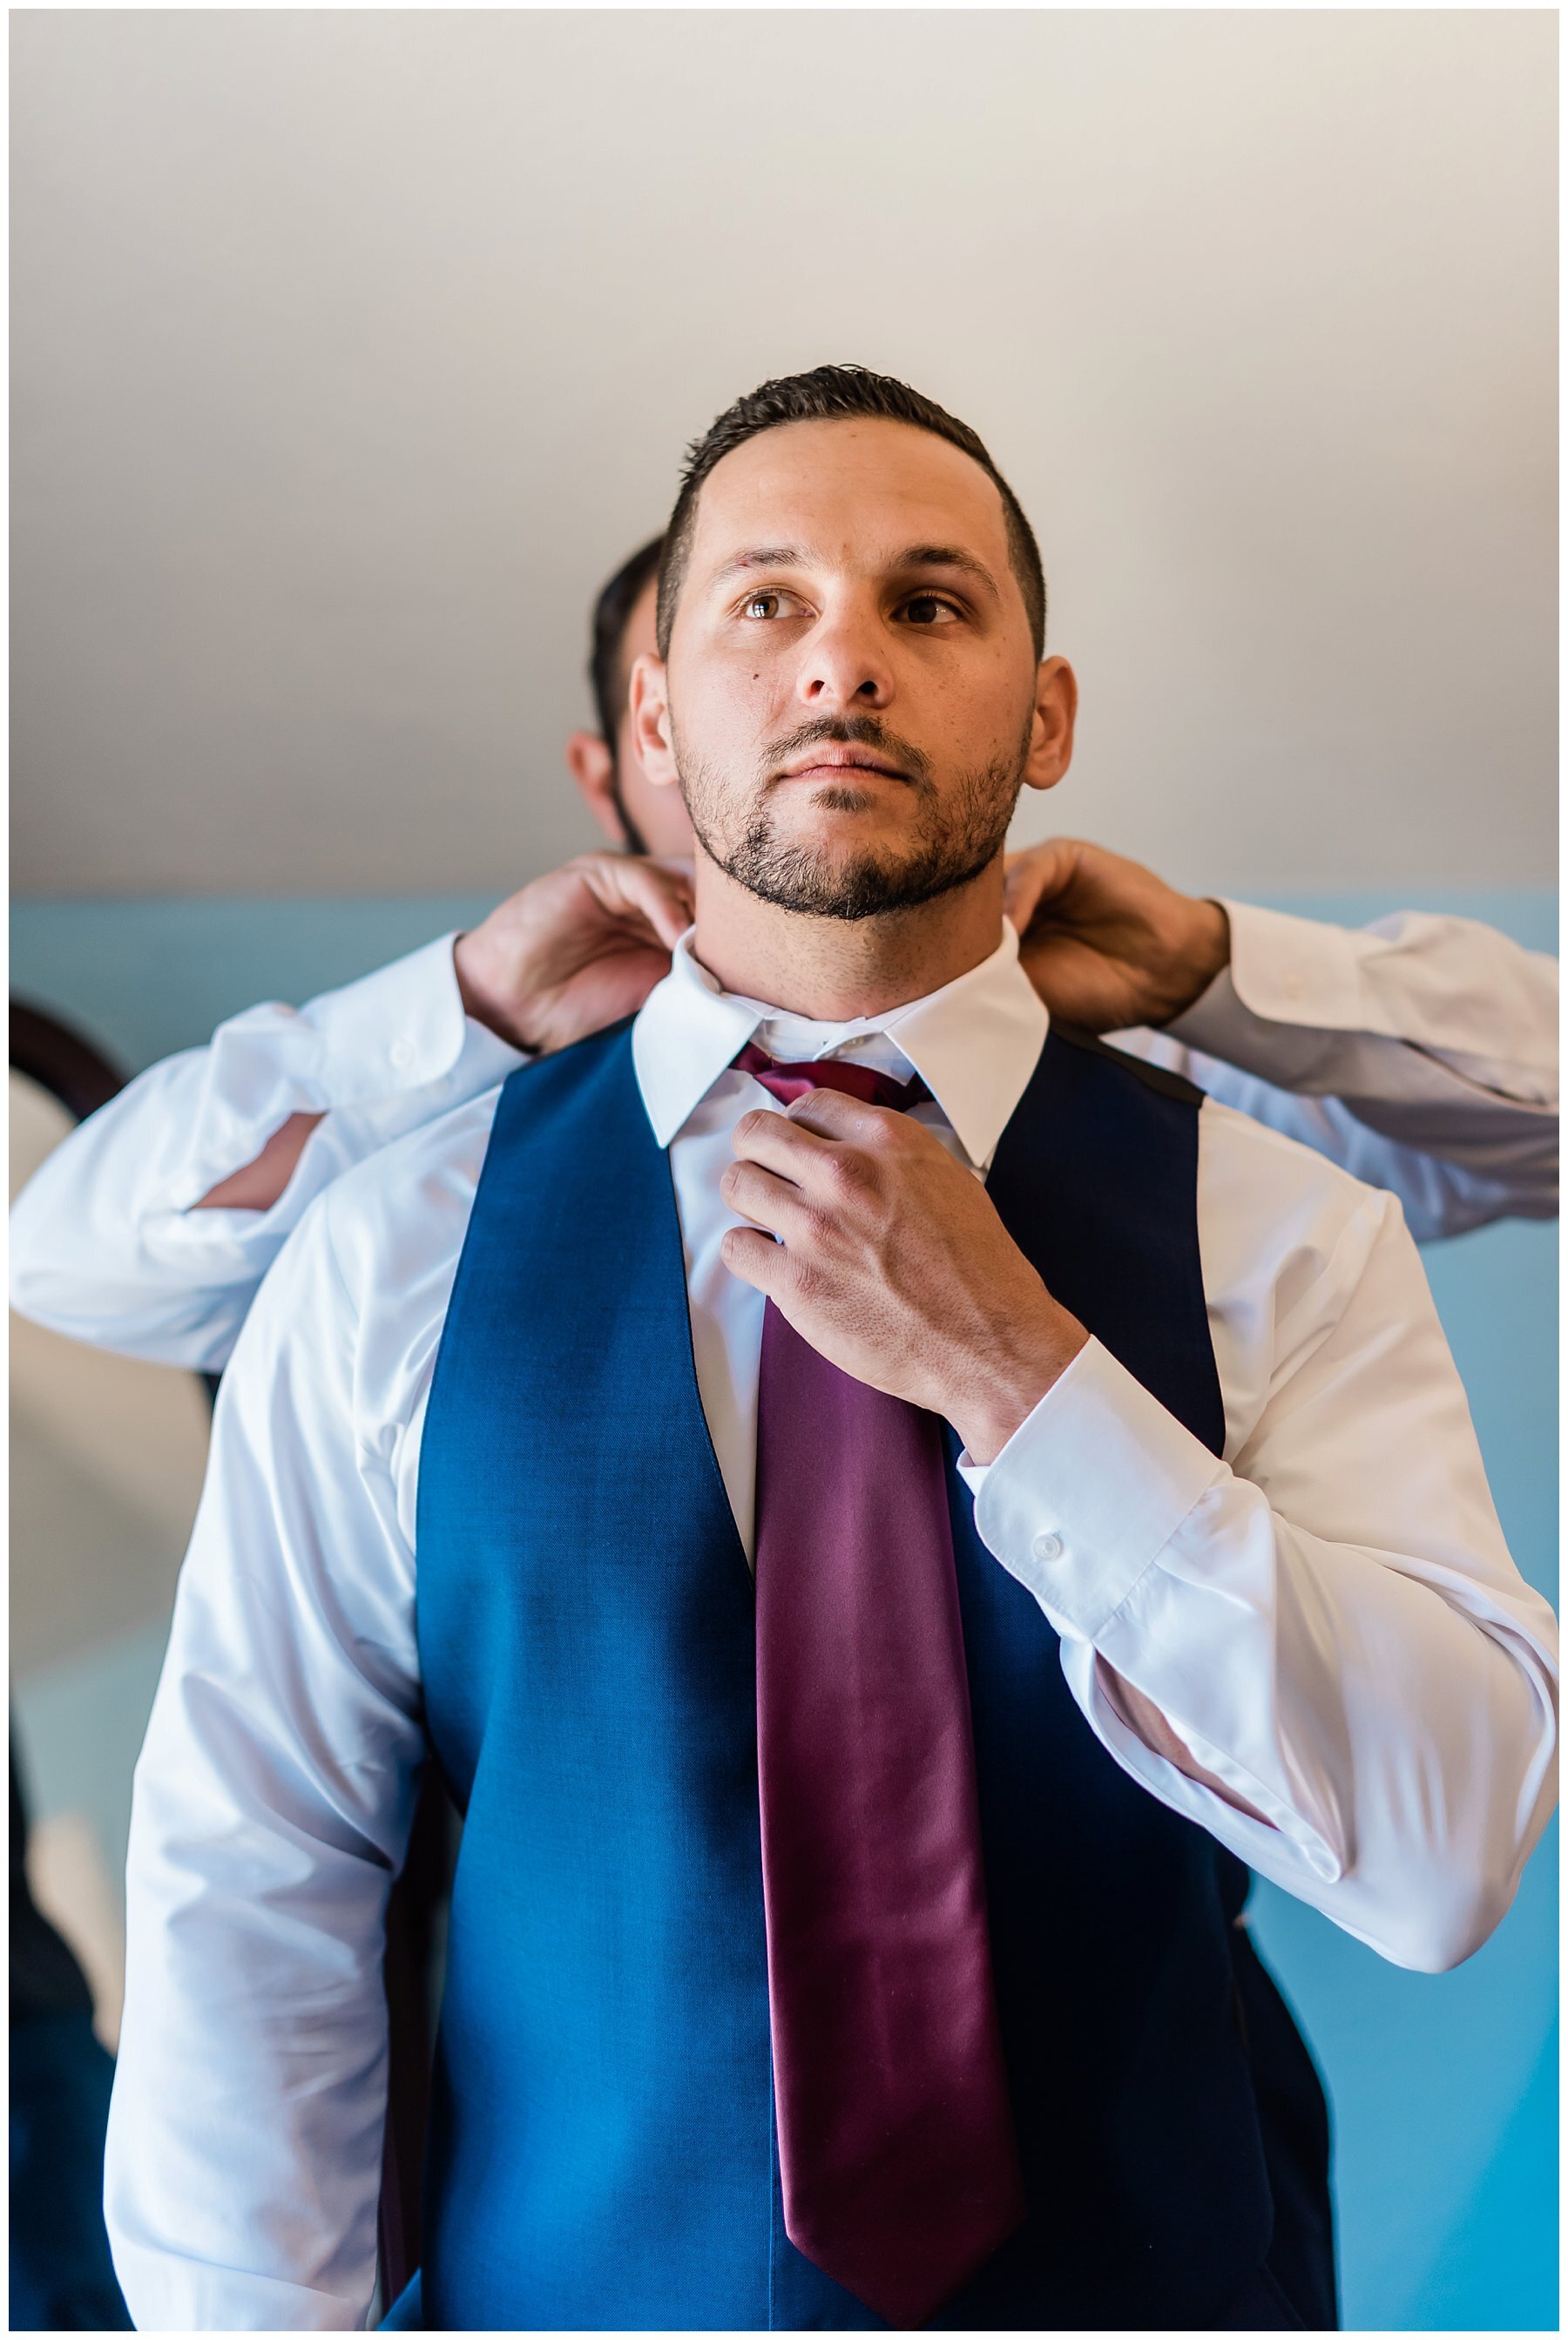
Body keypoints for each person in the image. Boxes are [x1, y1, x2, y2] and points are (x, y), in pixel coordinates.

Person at [100, 365, 1557, 2332]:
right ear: (655, 715)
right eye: (765, 603)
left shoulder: (1281, 1229)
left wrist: (1029, 1384)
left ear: (1045, 722)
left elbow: (1452, 1842)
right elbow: (257, 1882)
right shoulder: (388, 1253)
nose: (842, 662)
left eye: (930, 603)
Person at [8, 565, 1558, 1373]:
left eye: (897, 618)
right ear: (637, 742)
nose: (814, 693)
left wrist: (1217, 971)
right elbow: (67, 1265)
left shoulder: (1164, 1083)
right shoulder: (451, 1140)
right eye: (743, 638)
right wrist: (461, 1014)